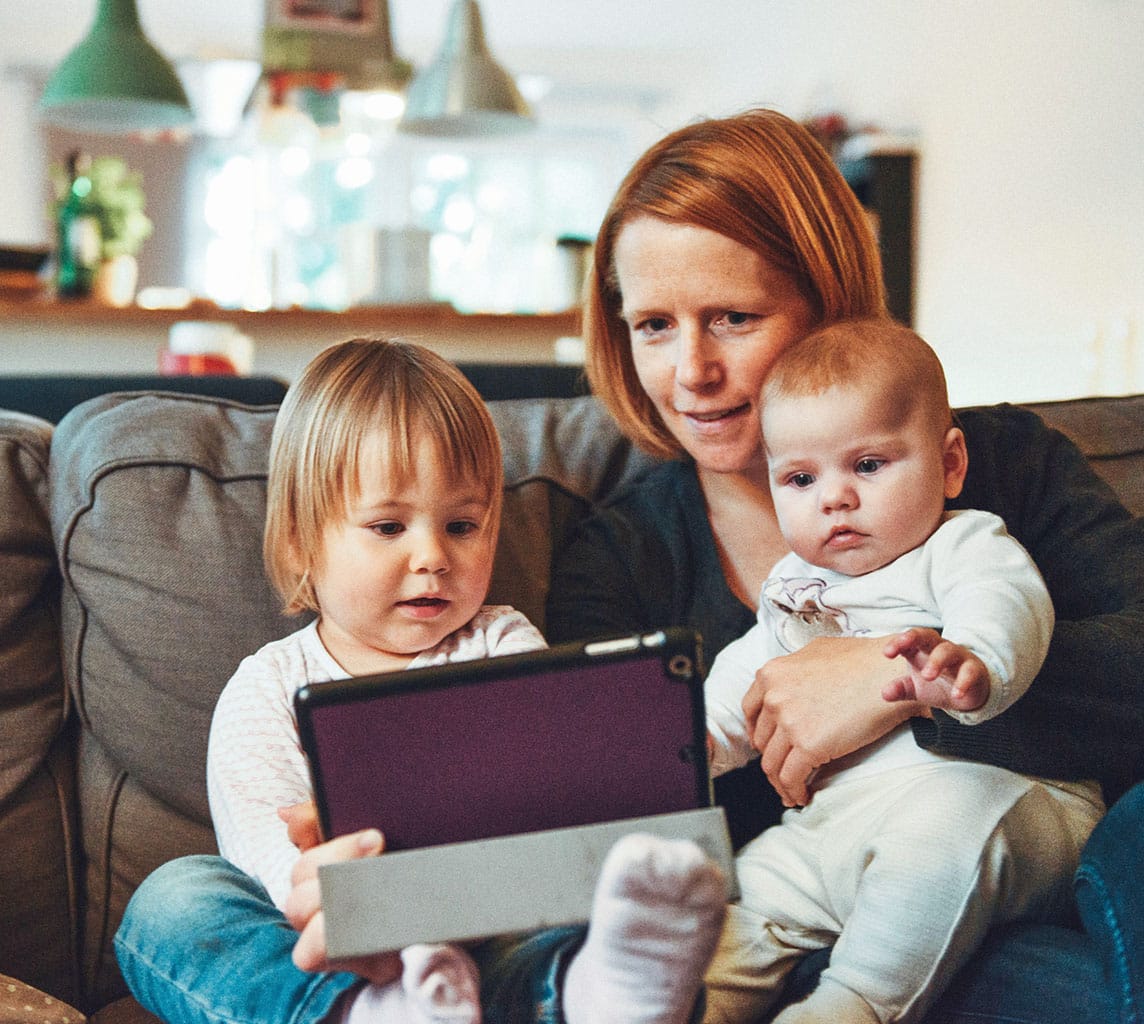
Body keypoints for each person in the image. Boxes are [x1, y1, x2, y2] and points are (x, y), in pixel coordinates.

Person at [543, 107, 1144, 1021]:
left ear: (828, 304)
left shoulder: (1000, 464)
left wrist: (889, 676)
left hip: (1030, 880)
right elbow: (628, 816)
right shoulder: (620, 557)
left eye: (733, 318)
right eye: (654, 325)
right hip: (798, 915)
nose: (691, 371)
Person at [115, 338, 728, 1024]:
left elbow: (548, 796)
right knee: (174, 899)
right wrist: (345, 896)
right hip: (340, 947)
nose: (433, 556)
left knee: (586, 921)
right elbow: (271, 860)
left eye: (462, 525)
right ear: (298, 540)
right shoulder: (265, 688)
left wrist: (636, 761)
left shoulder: (503, 642)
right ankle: (369, 1013)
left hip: (494, 934)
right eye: (387, 526)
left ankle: (596, 997)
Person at [700, 317, 1103, 1023]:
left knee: (937, 841)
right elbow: (752, 671)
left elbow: (1006, 602)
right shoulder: (795, 584)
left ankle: (854, 1003)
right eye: (800, 477)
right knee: (748, 892)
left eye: (868, 465)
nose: (835, 497)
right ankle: (686, 999)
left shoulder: (961, 543)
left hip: (999, 803)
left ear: (949, 463)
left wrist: (975, 661)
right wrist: (699, 740)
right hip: (838, 825)